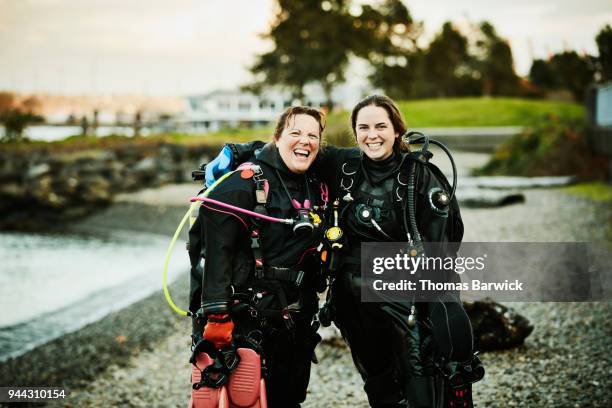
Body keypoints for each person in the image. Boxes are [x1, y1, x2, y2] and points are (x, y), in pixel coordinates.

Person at [208, 95, 482, 407]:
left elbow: (443, 254)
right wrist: (236, 151)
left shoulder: (420, 176)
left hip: (406, 301)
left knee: (421, 380)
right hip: (353, 305)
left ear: (397, 131)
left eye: (381, 126)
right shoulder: (344, 165)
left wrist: (447, 323)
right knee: (380, 385)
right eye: (363, 127)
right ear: (355, 132)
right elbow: (293, 145)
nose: (372, 134)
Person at [188, 106, 328, 408]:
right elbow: (215, 253)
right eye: (295, 133)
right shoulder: (241, 185)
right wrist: (216, 315)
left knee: (289, 399)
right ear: (277, 138)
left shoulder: (315, 183)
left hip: (295, 319)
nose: (305, 141)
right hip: (244, 321)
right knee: (244, 400)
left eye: (312, 135)